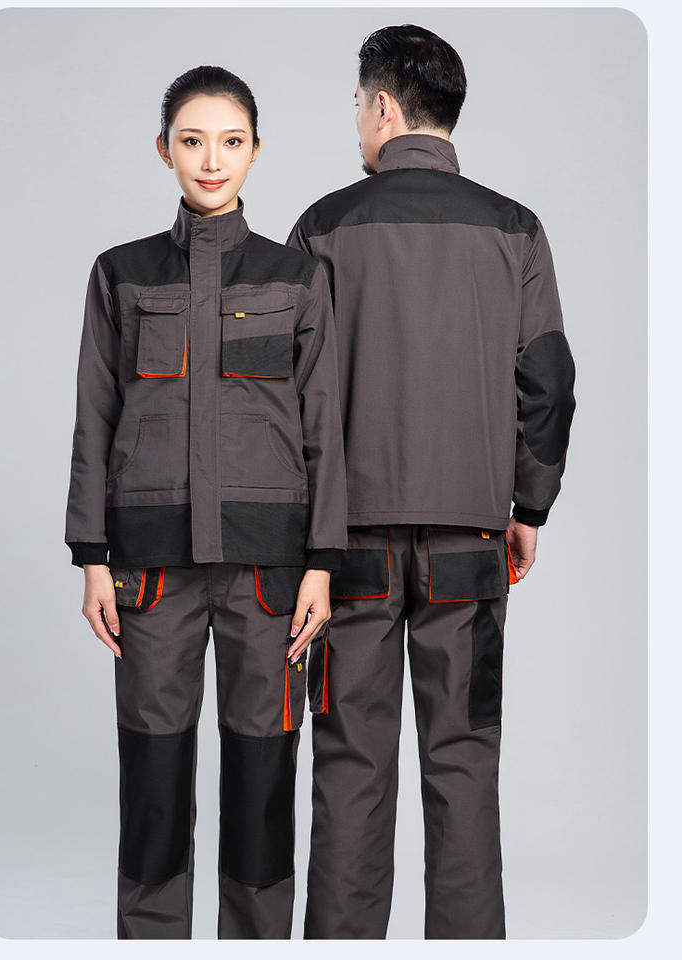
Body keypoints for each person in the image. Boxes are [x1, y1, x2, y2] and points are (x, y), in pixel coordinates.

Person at [287, 25, 576, 939]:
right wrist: (529, 504)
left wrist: (303, 537)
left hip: (348, 549)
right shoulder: (515, 229)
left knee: (349, 767)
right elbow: (550, 382)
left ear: (382, 107)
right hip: (472, 545)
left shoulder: (324, 227)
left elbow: (286, 395)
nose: (356, 123)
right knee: (464, 766)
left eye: (356, 107)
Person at [64, 65, 347, 940]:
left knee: (263, 778)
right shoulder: (121, 274)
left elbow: (325, 427)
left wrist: (323, 564)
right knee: (152, 778)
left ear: (256, 152)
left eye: (230, 141)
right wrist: (91, 557)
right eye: (192, 141)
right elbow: (94, 417)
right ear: (164, 151)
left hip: (270, 572)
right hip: (150, 571)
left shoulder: (296, 276)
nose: (211, 160)